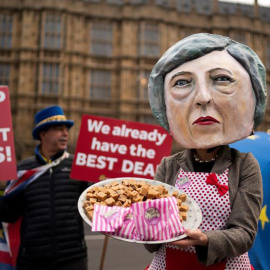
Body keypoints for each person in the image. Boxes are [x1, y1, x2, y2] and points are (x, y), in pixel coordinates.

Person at [145, 33, 267, 269]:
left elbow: (245, 234)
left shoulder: (244, 165)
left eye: (222, 79)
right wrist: (134, 224)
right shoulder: (168, 165)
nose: (202, 98)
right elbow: (150, 239)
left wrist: (206, 240)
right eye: (181, 82)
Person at [0, 105, 88, 270]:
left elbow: (95, 203)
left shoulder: (78, 165)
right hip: (32, 260)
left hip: (72, 258)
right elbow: (9, 214)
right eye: (58, 129)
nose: (65, 133)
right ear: (43, 134)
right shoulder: (22, 170)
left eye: (66, 129)